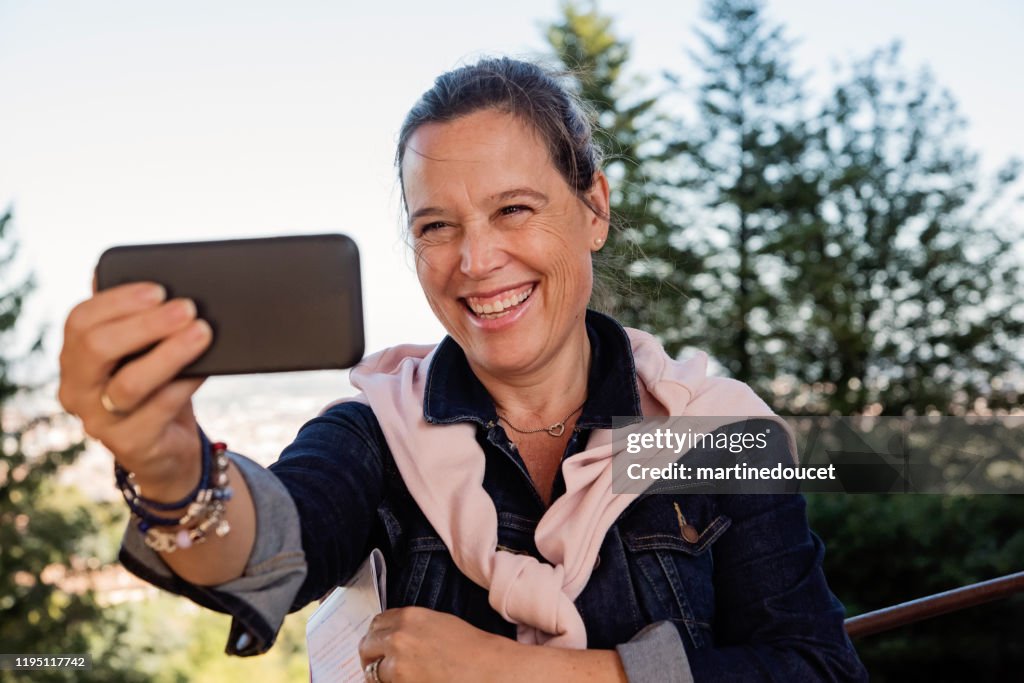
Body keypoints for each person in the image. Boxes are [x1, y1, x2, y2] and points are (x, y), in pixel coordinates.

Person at [58, 57, 867, 682]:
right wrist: (169, 468)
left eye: (513, 209)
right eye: (436, 225)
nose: (476, 261)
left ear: (594, 208)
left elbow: (816, 667)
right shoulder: (381, 429)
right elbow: (274, 548)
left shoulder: (713, 428)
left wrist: (523, 672)